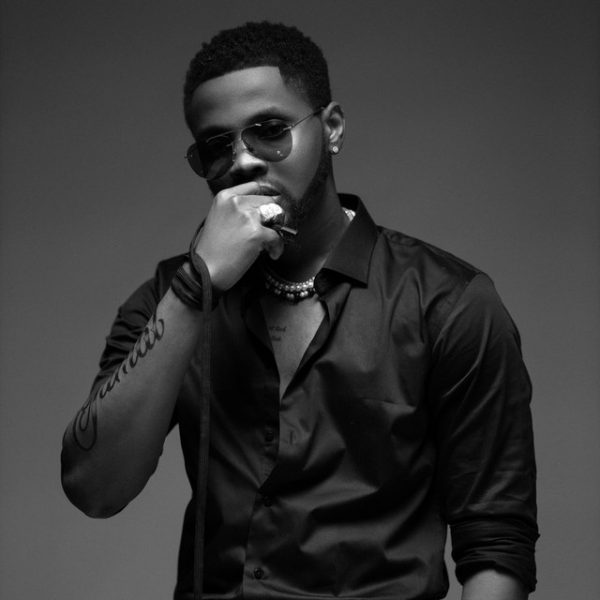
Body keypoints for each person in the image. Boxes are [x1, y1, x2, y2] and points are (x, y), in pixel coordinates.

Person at [61, 21, 538, 600]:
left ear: (331, 128)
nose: (242, 161)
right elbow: (95, 488)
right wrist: (196, 289)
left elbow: (496, 542)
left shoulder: (448, 303)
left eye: (269, 131)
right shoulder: (169, 296)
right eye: (216, 147)